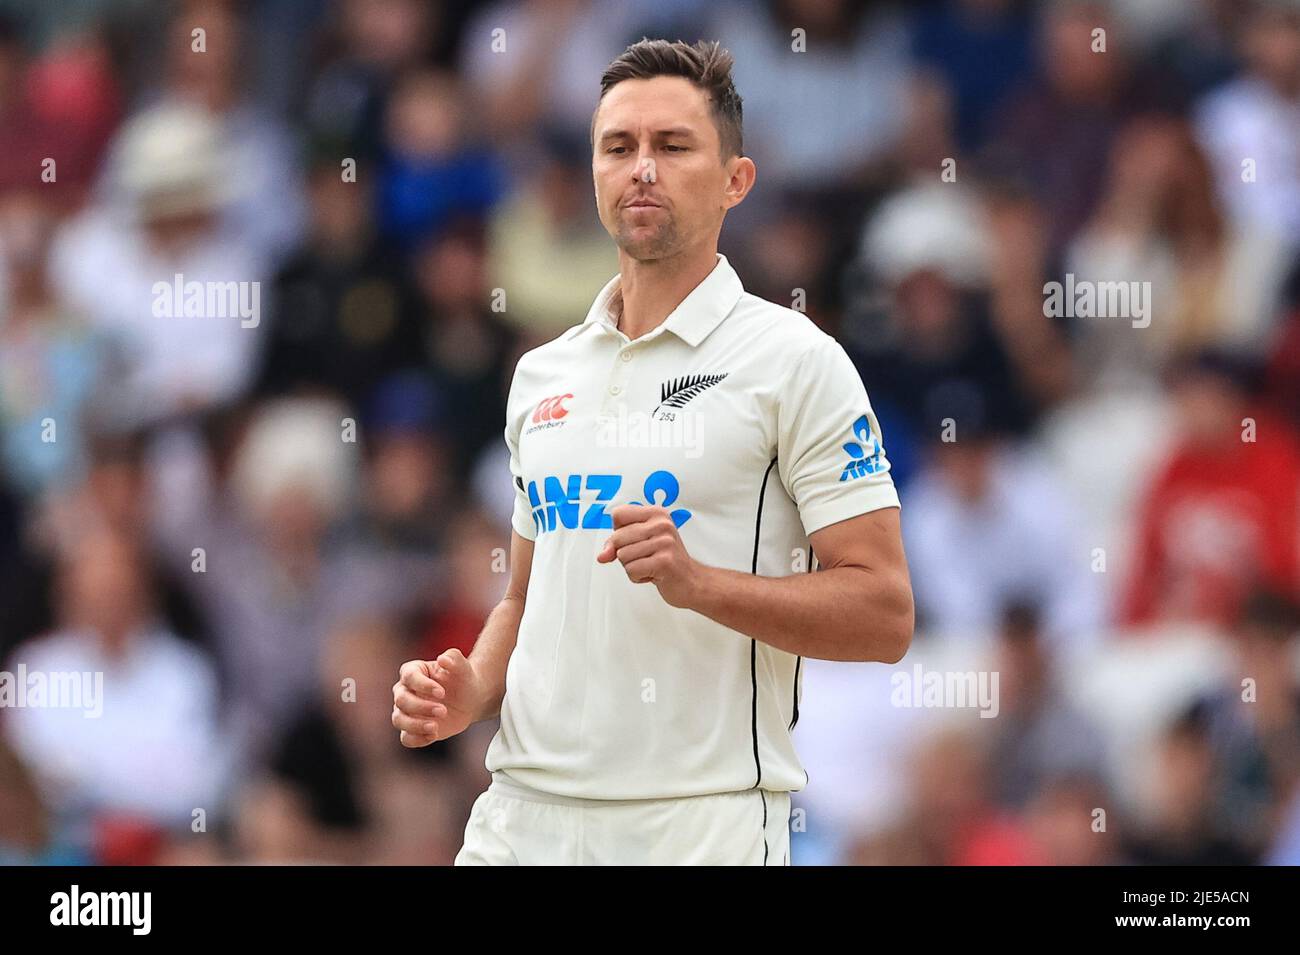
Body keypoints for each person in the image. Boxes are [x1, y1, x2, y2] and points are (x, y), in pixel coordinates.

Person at [391, 38, 913, 866]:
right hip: (521, 816)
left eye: (673, 147)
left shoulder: (795, 360)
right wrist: (472, 690)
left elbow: (884, 615)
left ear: (736, 180)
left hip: (699, 825)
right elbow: (525, 600)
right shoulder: (541, 373)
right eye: (618, 147)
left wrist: (698, 583)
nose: (642, 168)